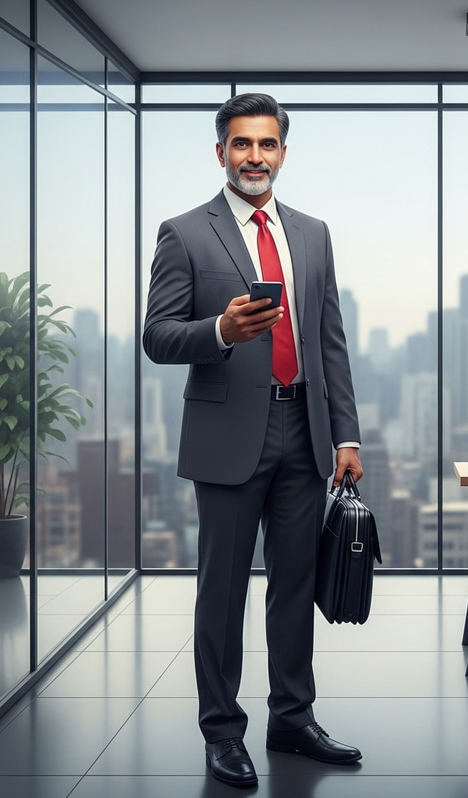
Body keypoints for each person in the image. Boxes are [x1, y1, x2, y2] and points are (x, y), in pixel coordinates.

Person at [143, 93, 363, 789]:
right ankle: (221, 732)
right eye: (242, 145)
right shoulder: (185, 233)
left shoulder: (314, 233)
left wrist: (347, 435)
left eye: (267, 145)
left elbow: (330, 341)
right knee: (224, 589)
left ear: (283, 153)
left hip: (305, 429)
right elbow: (156, 335)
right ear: (221, 153)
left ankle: (293, 719)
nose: (255, 157)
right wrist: (219, 332)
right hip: (229, 434)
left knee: (294, 585)